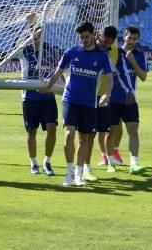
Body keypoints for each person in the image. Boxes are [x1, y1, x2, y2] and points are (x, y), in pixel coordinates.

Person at [40, 22, 113, 187]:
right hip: (70, 99)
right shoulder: (72, 52)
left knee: (84, 139)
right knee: (68, 134)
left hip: (89, 103)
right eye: (81, 37)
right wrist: (48, 87)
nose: (84, 40)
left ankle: (79, 175)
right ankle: (69, 172)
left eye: (87, 37)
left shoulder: (102, 56)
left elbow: (109, 77)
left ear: (93, 35)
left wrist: (106, 95)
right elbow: (58, 72)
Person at [19, 14, 59, 176]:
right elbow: (17, 42)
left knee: (52, 128)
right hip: (30, 97)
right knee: (31, 131)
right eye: (35, 32)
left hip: (48, 96)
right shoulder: (24, 50)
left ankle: (47, 162)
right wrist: (28, 24)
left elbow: (57, 69)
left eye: (39, 32)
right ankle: (33, 163)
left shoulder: (49, 50)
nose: (37, 35)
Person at [106, 26, 147, 174]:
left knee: (133, 131)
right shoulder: (115, 52)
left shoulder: (139, 55)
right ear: (124, 37)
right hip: (113, 99)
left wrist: (134, 62)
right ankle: (110, 162)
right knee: (110, 132)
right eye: (129, 38)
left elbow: (143, 77)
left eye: (135, 38)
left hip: (129, 100)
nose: (132, 41)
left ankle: (134, 164)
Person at [86, 25, 124, 182]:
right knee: (89, 134)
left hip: (104, 97)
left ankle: (110, 161)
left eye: (109, 43)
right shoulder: (88, 49)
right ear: (98, 36)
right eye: (103, 41)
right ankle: (86, 168)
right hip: (88, 96)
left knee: (107, 130)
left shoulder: (115, 50)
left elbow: (114, 74)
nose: (105, 45)